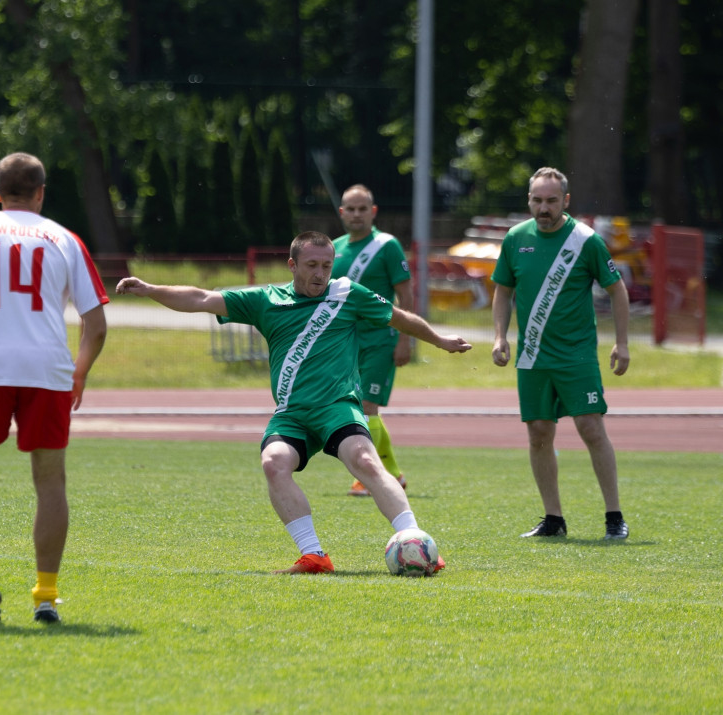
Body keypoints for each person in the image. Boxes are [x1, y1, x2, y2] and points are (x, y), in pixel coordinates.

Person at [116, 232, 472, 574]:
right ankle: (314, 556)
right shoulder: (266, 299)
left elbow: (398, 316)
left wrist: (439, 340)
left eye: (327, 265)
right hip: (292, 414)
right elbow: (201, 299)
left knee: (365, 459)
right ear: (292, 265)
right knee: (273, 462)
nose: (320, 273)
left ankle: (416, 541)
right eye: (312, 265)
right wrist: (150, 289)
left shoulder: (347, 293)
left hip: (337, 406)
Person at [0, 152, 109, 624]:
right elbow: (96, 325)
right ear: (40, 193)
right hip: (47, 369)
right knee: (50, 481)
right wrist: (78, 373)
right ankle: (46, 597)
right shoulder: (66, 239)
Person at [491, 166, 630, 540]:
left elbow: (617, 290)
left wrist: (622, 343)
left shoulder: (586, 241)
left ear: (565, 201)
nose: (544, 208)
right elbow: (503, 290)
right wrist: (500, 337)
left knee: (591, 428)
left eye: (551, 200)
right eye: (537, 200)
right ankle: (553, 519)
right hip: (532, 356)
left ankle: (614, 517)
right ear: (529, 200)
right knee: (538, 433)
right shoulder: (516, 239)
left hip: (576, 355)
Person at [332, 184, 414, 496]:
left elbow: (406, 295)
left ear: (373, 211)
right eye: (350, 209)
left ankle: (369, 476)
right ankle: (394, 474)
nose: (356, 214)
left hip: (381, 339)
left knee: (367, 407)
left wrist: (405, 340)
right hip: (346, 343)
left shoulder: (387, 245)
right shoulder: (335, 248)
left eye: (362, 208)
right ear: (342, 212)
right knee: (358, 408)